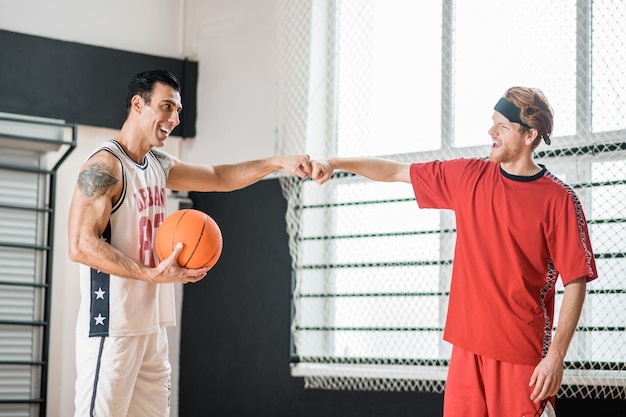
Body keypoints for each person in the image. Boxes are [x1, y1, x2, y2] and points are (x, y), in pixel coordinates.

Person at [310, 87, 597, 416]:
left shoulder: (558, 199)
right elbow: (395, 171)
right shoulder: (468, 176)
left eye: (502, 126)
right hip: (466, 349)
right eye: (493, 123)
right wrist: (332, 162)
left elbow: (576, 280)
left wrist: (556, 357)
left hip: (521, 357)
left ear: (530, 134)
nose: (491, 131)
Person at [68, 69, 312, 417]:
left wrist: (277, 163)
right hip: (112, 325)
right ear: (138, 104)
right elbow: (80, 244)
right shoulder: (105, 166)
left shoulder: (157, 163)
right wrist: (150, 274)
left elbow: (219, 177)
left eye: (178, 110)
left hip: (151, 325)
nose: (174, 118)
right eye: (167, 107)